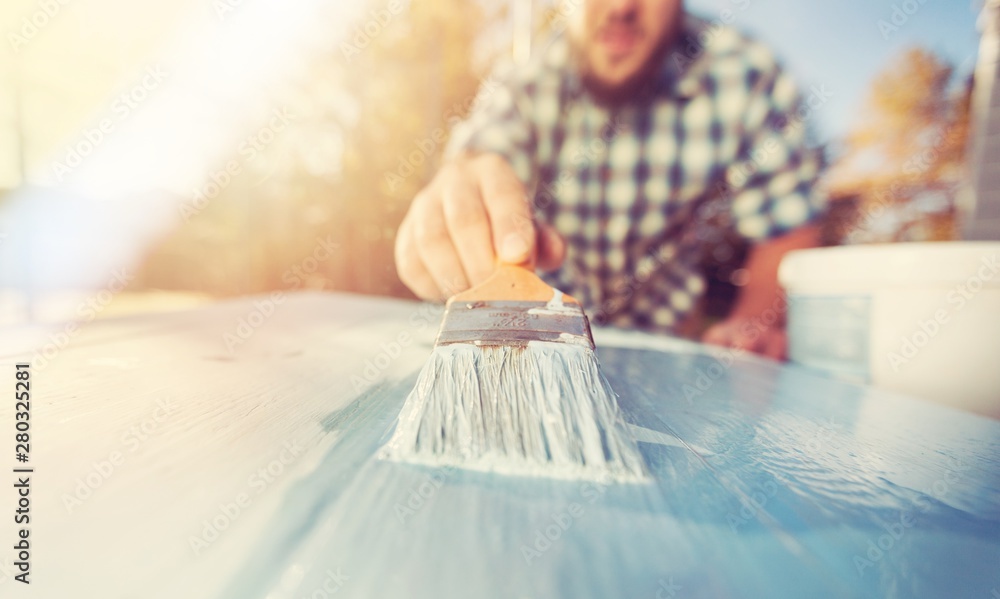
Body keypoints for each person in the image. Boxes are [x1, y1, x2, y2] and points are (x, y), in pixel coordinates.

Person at [394, 0, 825, 359]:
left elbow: (786, 224)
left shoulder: (744, 75)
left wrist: (749, 327)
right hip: (538, 355)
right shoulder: (528, 79)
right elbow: (481, 155)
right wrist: (459, 195)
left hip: (665, 355)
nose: (621, 7)